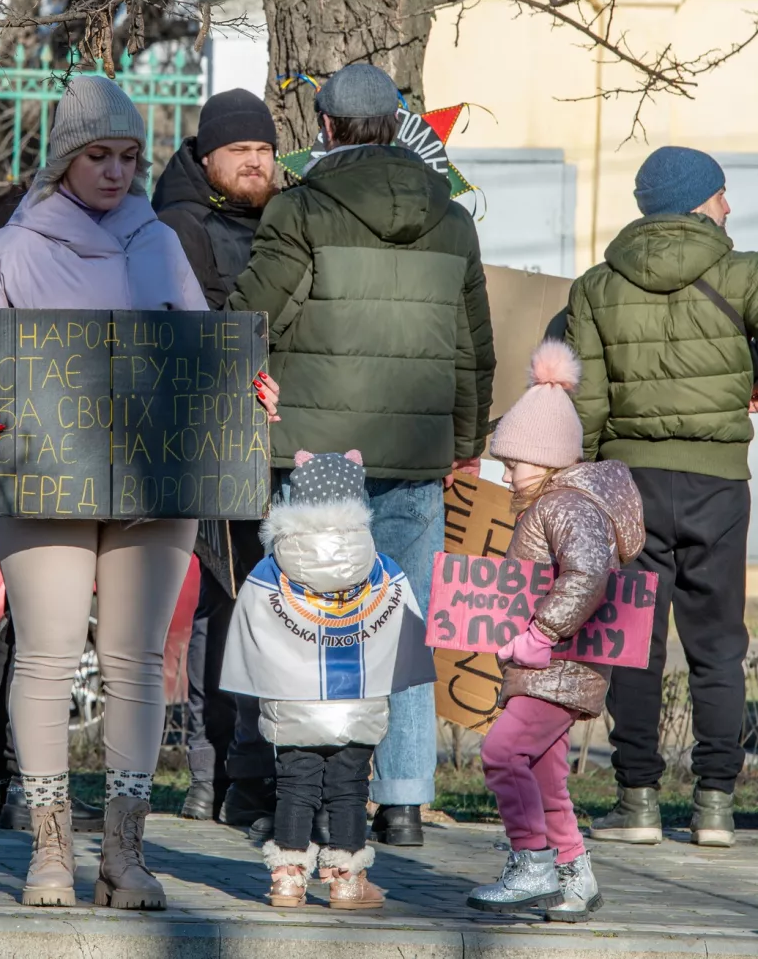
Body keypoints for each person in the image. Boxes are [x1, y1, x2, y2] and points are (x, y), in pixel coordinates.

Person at [0, 75, 211, 910]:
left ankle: (125, 853)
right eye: (99, 154)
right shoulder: (14, 248)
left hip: (155, 478)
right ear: (65, 157)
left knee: (136, 661)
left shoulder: (160, 243)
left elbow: (203, 349)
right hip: (43, 472)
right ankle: (50, 852)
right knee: (52, 654)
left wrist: (245, 390)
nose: (116, 172)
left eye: (130, 156)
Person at [227, 64, 496, 847]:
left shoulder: (300, 209)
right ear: (398, 122)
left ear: (327, 127)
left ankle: (307, 799)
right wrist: (465, 444)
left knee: (315, 619)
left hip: (317, 454)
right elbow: (474, 350)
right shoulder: (453, 220)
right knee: (404, 621)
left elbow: (251, 315)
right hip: (417, 454)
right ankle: (404, 799)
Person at [566, 146, 757, 849]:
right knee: (717, 646)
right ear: (698, 200)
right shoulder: (744, 274)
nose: (729, 207)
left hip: (629, 484)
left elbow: (584, 401)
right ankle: (713, 805)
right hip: (718, 482)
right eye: (721, 194)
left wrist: (575, 486)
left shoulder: (595, 286)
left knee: (634, 646)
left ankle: (637, 801)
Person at [468, 340, 645, 920]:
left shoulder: (564, 504)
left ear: (543, 460)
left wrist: (540, 634)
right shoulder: (558, 503)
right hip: (555, 668)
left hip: (558, 665)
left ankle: (531, 864)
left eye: (512, 462)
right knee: (544, 771)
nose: (506, 472)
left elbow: (588, 573)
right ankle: (575, 874)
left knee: (501, 752)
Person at [222, 450, 434, 910]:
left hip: (292, 697)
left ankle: (287, 880)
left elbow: (250, 627)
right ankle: (346, 881)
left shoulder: (271, 568)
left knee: (294, 785)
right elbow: (407, 626)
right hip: (357, 698)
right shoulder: (381, 566)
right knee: (349, 786)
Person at [0, 185, 106, 835]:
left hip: (20, 452)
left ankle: (3, 781)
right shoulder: (28, 245)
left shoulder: (6, 236)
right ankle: (20, 783)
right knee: (40, 632)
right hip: (39, 454)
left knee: (26, 626)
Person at [151, 88, 281, 826]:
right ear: (208, 160)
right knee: (223, 606)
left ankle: (247, 773)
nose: (256, 162)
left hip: (274, 438)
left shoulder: (283, 223)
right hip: (211, 439)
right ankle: (211, 769)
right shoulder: (178, 228)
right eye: (240, 151)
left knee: (262, 608)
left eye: (263, 149)